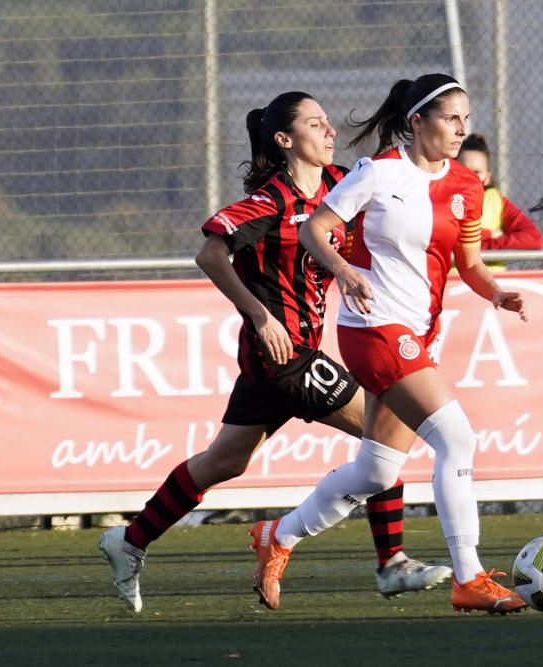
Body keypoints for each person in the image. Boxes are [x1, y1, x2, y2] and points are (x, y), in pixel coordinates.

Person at [98, 91, 451, 613]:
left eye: (328, 122)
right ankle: (391, 562)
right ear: (285, 140)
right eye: (316, 123)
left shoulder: (337, 187)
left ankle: (129, 540)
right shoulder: (270, 202)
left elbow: (388, 185)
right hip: (281, 357)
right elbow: (210, 253)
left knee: (225, 461)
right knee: (381, 435)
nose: (330, 131)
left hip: (290, 355)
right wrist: (259, 316)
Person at [249, 74, 529, 615]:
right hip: (372, 330)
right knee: (458, 440)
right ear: (417, 121)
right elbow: (315, 230)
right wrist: (343, 272)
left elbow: (467, 264)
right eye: (451, 119)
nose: (461, 129)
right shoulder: (376, 173)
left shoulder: (468, 187)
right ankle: (468, 578)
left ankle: (277, 536)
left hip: (419, 335)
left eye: (466, 120)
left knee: (377, 470)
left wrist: (497, 293)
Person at [455, 133, 543, 269]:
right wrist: (490, 234)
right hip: (451, 285)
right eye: (464, 170)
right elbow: (446, 239)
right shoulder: (440, 199)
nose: (470, 177)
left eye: (477, 172)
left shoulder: (496, 200)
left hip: (493, 284)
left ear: (488, 177)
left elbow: (534, 240)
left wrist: (484, 247)